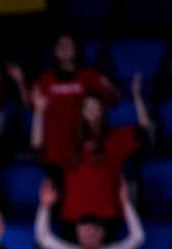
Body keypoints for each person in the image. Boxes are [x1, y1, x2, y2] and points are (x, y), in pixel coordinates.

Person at [32, 76, 148, 228]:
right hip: (73, 216)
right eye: (87, 106)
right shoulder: (69, 141)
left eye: (95, 106)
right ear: (82, 112)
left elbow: (143, 130)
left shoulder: (114, 138)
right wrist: (39, 112)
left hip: (107, 215)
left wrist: (137, 98)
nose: (91, 109)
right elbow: (37, 144)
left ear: (102, 110)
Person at [13, 33, 118, 169]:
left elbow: (113, 100)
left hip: (80, 150)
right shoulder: (46, 79)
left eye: (68, 45)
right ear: (55, 52)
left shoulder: (88, 76)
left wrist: (109, 85)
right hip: (52, 152)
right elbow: (30, 104)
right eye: (60, 45)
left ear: (75, 50)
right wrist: (20, 82)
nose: (63, 48)